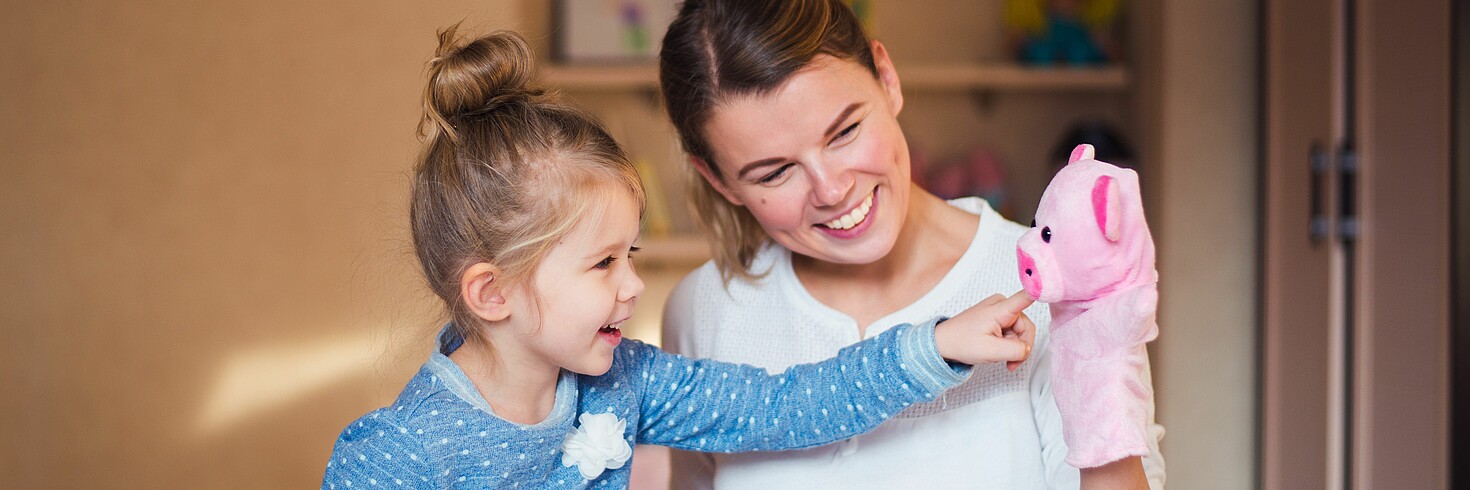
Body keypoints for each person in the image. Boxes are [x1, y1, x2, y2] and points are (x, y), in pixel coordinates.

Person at [322, 27, 1043, 489]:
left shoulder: (627, 381)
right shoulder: (395, 455)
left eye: (628, 253)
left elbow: (784, 404)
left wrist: (934, 345)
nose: (633, 285)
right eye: (602, 264)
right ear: (490, 293)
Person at [656, 0, 1166, 488]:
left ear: (887, 78)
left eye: (845, 131)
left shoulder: (1053, 284)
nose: (831, 190)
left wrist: (1097, 365)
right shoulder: (703, 310)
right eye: (775, 173)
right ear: (719, 180)